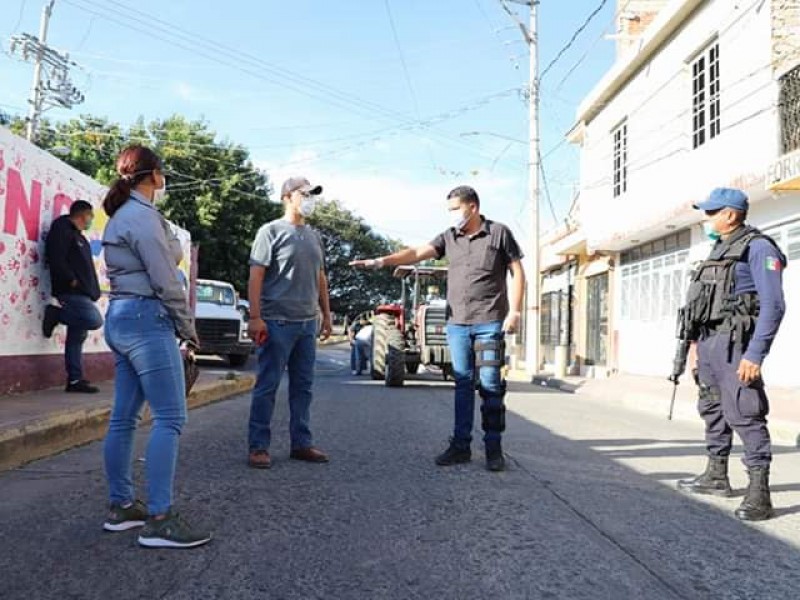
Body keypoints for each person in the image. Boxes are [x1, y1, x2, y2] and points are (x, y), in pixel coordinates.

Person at [351, 185, 525, 472]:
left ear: (473, 207)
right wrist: (380, 261)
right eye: (450, 210)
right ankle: (461, 446)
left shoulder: (499, 233)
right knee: (462, 383)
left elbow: (517, 273)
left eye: (456, 209)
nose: (453, 215)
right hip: (456, 323)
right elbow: (418, 252)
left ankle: (494, 448)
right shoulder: (449, 237)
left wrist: (515, 311)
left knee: (492, 384)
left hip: (489, 320)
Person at [100, 145, 211, 548]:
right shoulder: (143, 218)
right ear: (154, 176)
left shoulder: (120, 216)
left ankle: (121, 508)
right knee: (169, 417)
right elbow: (166, 280)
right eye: (163, 173)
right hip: (148, 319)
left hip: (121, 317)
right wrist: (188, 328)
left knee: (124, 419)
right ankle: (160, 520)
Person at [677, 187, 786, 521]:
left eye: (712, 212)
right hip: (710, 343)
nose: (707, 218)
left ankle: (759, 493)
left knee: (745, 412)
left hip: (736, 344)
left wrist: (755, 354)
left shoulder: (758, 248)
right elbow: (702, 306)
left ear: (731, 213)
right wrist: (694, 348)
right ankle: (716, 475)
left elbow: (774, 304)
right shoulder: (718, 249)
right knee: (712, 408)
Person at [247, 176, 333, 469]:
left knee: (303, 387)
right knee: (267, 386)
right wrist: (255, 317)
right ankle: (258, 446)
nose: (310, 199)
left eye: (312, 194)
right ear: (287, 197)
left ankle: (301, 443)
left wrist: (326, 315)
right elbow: (256, 275)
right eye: (305, 194)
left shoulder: (314, 236)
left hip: (307, 323)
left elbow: (321, 277)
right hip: (276, 322)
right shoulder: (269, 232)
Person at [43, 200, 104, 393]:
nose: (91, 220)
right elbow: (55, 256)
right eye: (90, 216)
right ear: (82, 214)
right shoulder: (62, 228)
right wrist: (70, 279)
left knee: (76, 337)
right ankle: (56, 315)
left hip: (84, 293)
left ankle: (75, 380)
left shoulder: (80, 237)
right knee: (93, 320)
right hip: (71, 291)